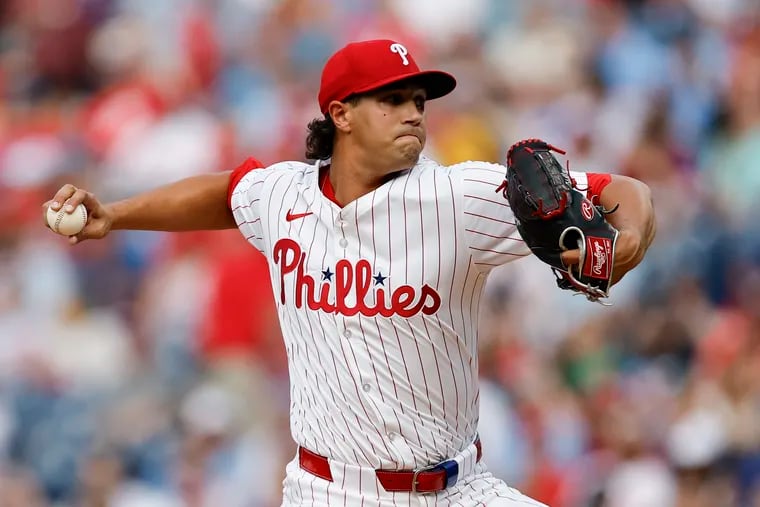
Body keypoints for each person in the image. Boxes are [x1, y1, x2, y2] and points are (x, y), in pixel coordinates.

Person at [44, 39, 655, 506]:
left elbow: (620, 190)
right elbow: (226, 194)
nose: (414, 114)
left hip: (457, 488)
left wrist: (625, 239)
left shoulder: (459, 198)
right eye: (392, 101)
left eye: (418, 102)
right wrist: (116, 216)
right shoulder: (284, 196)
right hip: (330, 491)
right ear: (341, 113)